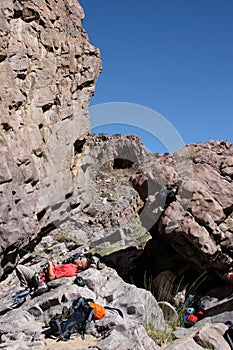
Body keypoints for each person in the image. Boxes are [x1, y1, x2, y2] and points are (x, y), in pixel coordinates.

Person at [15, 255, 91, 291]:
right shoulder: (71, 267)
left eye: (80, 259)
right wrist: (55, 265)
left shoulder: (70, 269)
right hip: (41, 275)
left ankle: (25, 288)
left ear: (80, 265)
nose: (78, 257)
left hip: (41, 279)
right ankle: (26, 288)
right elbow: (59, 271)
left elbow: (52, 277)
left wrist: (50, 265)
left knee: (19, 268)